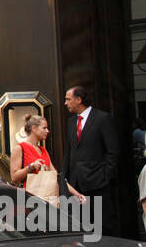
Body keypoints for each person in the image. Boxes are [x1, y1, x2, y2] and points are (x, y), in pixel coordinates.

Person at [58, 86, 120, 238]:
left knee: (104, 224)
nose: (65, 103)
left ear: (79, 100)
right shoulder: (71, 122)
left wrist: (105, 176)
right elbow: (70, 151)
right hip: (76, 184)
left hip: (98, 182)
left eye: (68, 99)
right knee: (81, 227)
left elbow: (113, 151)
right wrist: (64, 178)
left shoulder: (102, 118)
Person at [10, 115, 71, 205]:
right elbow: (14, 177)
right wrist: (30, 167)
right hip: (29, 200)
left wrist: (76, 194)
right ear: (34, 128)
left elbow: (57, 177)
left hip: (48, 201)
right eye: (44, 128)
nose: (47, 131)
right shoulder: (20, 148)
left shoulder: (43, 150)